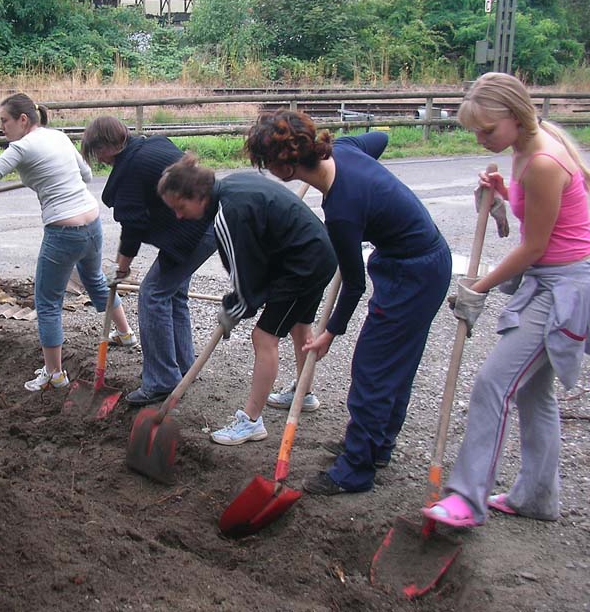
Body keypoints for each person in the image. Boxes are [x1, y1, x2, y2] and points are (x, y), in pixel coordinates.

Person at [245, 111, 452, 495]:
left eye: (266, 163)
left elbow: (353, 284)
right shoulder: (348, 148)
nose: (267, 170)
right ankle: (376, 448)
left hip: (411, 274)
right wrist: (372, 188)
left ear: (284, 166)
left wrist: (329, 333)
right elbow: (381, 139)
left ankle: (355, 470)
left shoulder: (340, 212)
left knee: (373, 370)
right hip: (424, 260)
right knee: (396, 365)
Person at [421, 72, 590, 527]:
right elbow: (538, 222)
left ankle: (466, 500)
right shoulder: (527, 146)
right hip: (555, 278)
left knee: (493, 384)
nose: (480, 139)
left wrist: (479, 285)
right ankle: (536, 496)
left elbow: (534, 246)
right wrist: (502, 193)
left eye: (487, 130)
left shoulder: (543, 161)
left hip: (564, 289)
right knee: (535, 393)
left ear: (516, 117)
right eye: (474, 131)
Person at [0, 93, 134, 391]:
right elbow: (86, 174)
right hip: (91, 223)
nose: (1, 127)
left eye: (4, 121)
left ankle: (54, 375)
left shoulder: (21, 147)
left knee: (47, 302)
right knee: (94, 279)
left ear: (23, 120)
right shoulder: (57, 137)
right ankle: (125, 333)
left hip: (63, 232)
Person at [157, 154, 337, 445]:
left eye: (180, 207)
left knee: (264, 338)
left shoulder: (228, 214)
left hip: (302, 266)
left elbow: (245, 273)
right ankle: (303, 394)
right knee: (299, 326)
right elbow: (254, 262)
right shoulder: (234, 184)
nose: (178, 216)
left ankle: (251, 421)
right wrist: (241, 302)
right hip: (317, 252)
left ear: (199, 196)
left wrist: (236, 307)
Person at [80, 116, 218, 406]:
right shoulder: (153, 144)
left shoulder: (131, 168)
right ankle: (184, 367)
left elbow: (134, 224)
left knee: (152, 294)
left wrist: (123, 265)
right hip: (208, 224)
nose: (99, 159)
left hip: (193, 231)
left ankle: (161, 381)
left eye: (98, 152)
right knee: (174, 295)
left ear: (110, 146)